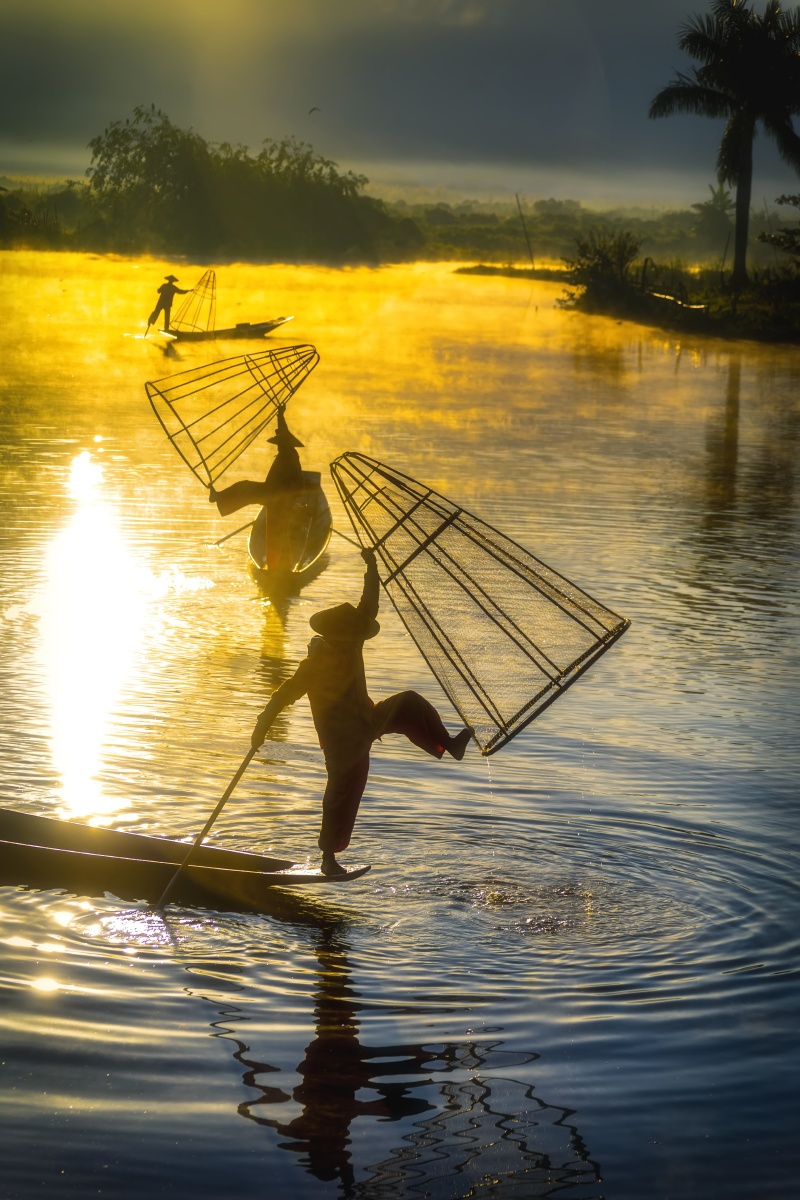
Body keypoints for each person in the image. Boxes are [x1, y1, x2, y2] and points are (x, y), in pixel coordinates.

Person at [251, 548, 474, 875]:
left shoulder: (351, 643)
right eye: (349, 634)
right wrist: (261, 729)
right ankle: (328, 860)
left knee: (410, 702)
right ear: (334, 635)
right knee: (340, 793)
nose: (354, 638)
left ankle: (449, 745)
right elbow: (281, 697)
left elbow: (369, 605)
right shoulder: (313, 667)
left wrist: (372, 568)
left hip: (366, 721)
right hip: (340, 741)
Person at [209, 407, 305, 517]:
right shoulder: (287, 452)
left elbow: (299, 486)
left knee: (245, 488)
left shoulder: (289, 456)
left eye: (280, 443)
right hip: (272, 491)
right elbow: (283, 430)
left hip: (276, 495)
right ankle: (219, 498)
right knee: (245, 488)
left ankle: (219, 499)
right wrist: (280, 415)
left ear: (284, 444)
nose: (278, 445)